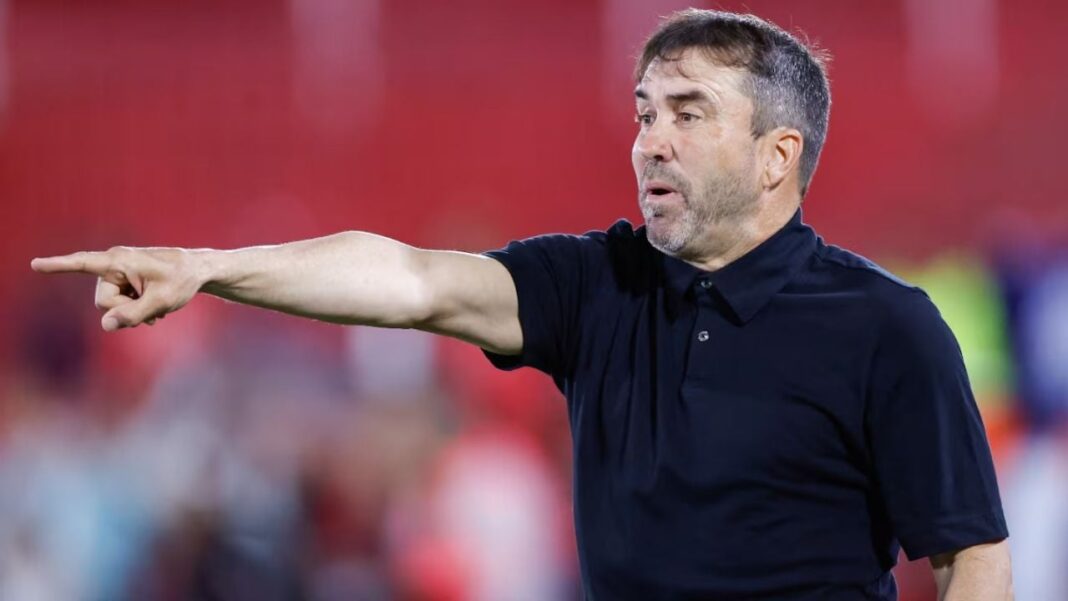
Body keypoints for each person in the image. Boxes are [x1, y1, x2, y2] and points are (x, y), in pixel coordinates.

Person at [31, 9, 1012, 601]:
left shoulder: (887, 325)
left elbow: (971, 558)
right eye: (644, 112)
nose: (650, 142)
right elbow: (413, 280)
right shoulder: (597, 285)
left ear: (777, 156)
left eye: (688, 114)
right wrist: (209, 267)